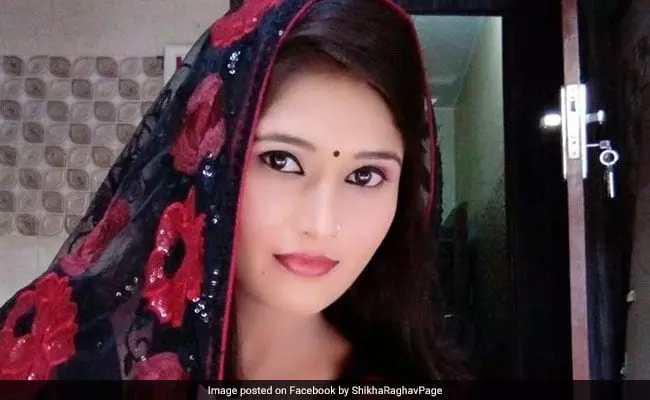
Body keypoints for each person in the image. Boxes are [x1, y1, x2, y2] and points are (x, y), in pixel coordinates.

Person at [0, 0, 467, 386]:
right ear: (206, 158)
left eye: (365, 176)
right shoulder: (57, 360)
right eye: (280, 160)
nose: (322, 223)